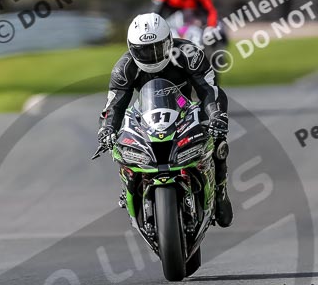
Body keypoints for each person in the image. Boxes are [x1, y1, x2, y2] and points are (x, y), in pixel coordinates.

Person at [97, 12, 233, 227]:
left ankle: (220, 190)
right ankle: (130, 188)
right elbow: (114, 105)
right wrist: (107, 129)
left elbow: (209, 89)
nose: (150, 56)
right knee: (119, 147)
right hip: (146, 118)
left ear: (169, 41)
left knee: (218, 140)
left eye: (157, 48)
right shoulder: (123, 68)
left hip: (185, 111)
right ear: (132, 49)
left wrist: (216, 116)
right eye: (143, 51)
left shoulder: (189, 53)